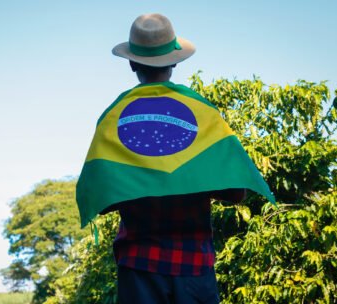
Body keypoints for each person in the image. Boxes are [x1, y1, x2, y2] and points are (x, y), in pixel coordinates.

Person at [76, 12, 274, 304]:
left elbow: (103, 202)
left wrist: (145, 179)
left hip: (138, 269)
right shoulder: (204, 114)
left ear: (131, 63)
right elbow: (237, 192)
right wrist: (187, 179)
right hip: (194, 268)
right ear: (175, 61)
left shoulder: (113, 118)